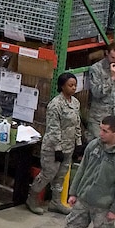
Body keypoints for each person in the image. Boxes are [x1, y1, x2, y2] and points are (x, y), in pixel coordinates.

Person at [28, 71, 81, 213]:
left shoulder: (75, 103)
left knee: (61, 175)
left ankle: (56, 202)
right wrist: (58, 149)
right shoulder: (55, 105)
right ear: (62, 86)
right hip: (53, 148)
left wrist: (78, 143)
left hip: (69, 147)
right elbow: (53, 129)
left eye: (75, 85)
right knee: (48, 174)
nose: (74, 88)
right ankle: (31, 199)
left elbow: (77, 124)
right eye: (70, 85)